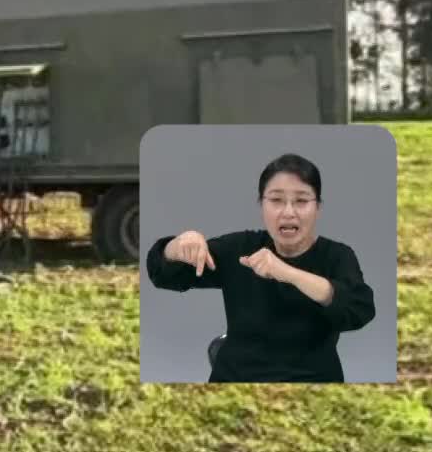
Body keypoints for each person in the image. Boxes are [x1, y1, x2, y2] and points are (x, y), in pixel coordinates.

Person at [145, 153, 376, 382]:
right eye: (276, 200)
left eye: (302, 201)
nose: (288, 212)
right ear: (261, 205)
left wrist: (286, 273)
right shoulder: (241, 248)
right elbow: (163, 275)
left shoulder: (336, 255)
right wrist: (177, 246)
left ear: (318, 207)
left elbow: (359, 309)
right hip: (236, 378)